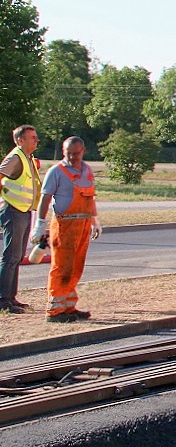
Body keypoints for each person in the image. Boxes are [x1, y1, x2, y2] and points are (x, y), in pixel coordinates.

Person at [34, 136, 101, 323]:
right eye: (68, 154)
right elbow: (45, 199)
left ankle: (68, 306)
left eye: (76, 154)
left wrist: (95, 221)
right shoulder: (56, 172)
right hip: (64, 226)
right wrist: (40, 224)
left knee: (75, 267)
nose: (72, 157)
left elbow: (91, 198)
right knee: (62, 267)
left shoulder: (87, 170)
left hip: (83, 225)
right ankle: (54, 311)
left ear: (83, 151)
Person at [0, 125, 42, 313]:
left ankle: (11, 297)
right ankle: (3, 300)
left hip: (23, 211)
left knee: (16, 257)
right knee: (10, 257)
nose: (36, 140)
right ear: (20, 140)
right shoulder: (15, 157)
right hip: (13, 210)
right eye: (32, 137)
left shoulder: (27, 158)